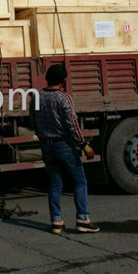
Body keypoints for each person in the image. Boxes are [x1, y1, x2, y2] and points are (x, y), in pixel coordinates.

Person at [30, 64, 100, 234]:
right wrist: (83, 144)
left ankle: (56, 221)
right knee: (79, 181)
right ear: (63, 81)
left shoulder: (36, 97)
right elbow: (72, 124)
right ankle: (83, 219)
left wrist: (42, 136)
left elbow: (32, 121)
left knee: (55, 183)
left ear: (47, 78)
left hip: (46, 145)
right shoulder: (64, 98)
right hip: (64, 145)